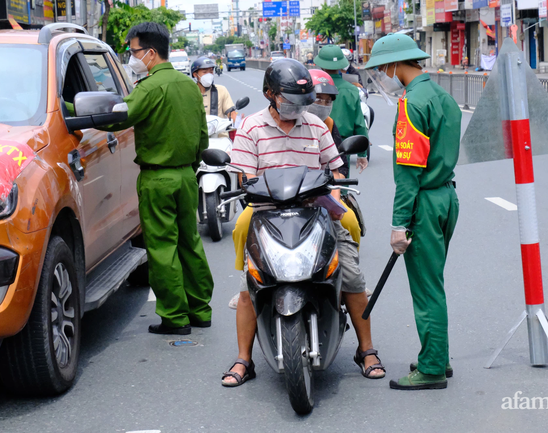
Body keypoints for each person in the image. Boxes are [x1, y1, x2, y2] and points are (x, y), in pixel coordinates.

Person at [221, 59, 385, 387]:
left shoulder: (316, 126)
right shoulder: (252, 127)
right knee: (248, 277)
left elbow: (336, 168)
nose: (298, 108)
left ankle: (366, 350)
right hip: (266, 208)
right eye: (290, 100)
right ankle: (244, 359)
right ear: (270, 94)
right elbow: (245, 176)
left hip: (315, 206)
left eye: (303, 101)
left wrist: (336, 185)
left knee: (350, 264)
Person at [99, 22, 214, 335]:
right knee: (190, 242)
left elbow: (117, 119)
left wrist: (69, 108)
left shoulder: (148, 88)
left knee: (163, 248)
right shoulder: (190, 86)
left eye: (134, 51)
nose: (132, 57)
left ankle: (175, 318)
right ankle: (200, 309)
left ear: (150, 53)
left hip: (158, 178)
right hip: (188, 176)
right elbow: (202, 137)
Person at [364, 33, 461, 390]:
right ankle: (438, 355)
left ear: (394, 64)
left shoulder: (411, 104)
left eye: (382, 67)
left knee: (426, 290)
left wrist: (398, 225)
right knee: (434, 283)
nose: (382, 74)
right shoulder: (442, 97)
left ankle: (433, 367)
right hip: (447, 197)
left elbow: (407, 175)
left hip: (422, 203)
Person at [314, 45, 369, 174]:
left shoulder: (313, 87)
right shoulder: (352, 90)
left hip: (314, 143)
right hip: (342, 147)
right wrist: (362, 154)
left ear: (321, 65)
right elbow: (360, 125)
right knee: (341, 186)